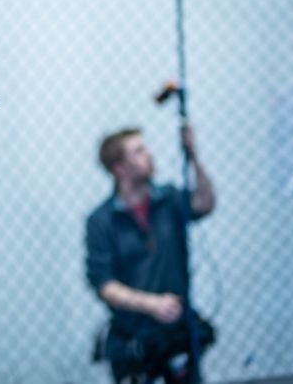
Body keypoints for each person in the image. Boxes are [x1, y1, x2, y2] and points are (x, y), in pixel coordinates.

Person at [85, 125, 216, 384]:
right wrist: (151, 304)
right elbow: (104, 284)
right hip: (134, 337)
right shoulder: (101, 221)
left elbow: (204, 203)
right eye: (139, 151)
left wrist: (193, 156)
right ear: (119, 168)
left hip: (177, 332)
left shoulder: (168, 200)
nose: (149, 155)